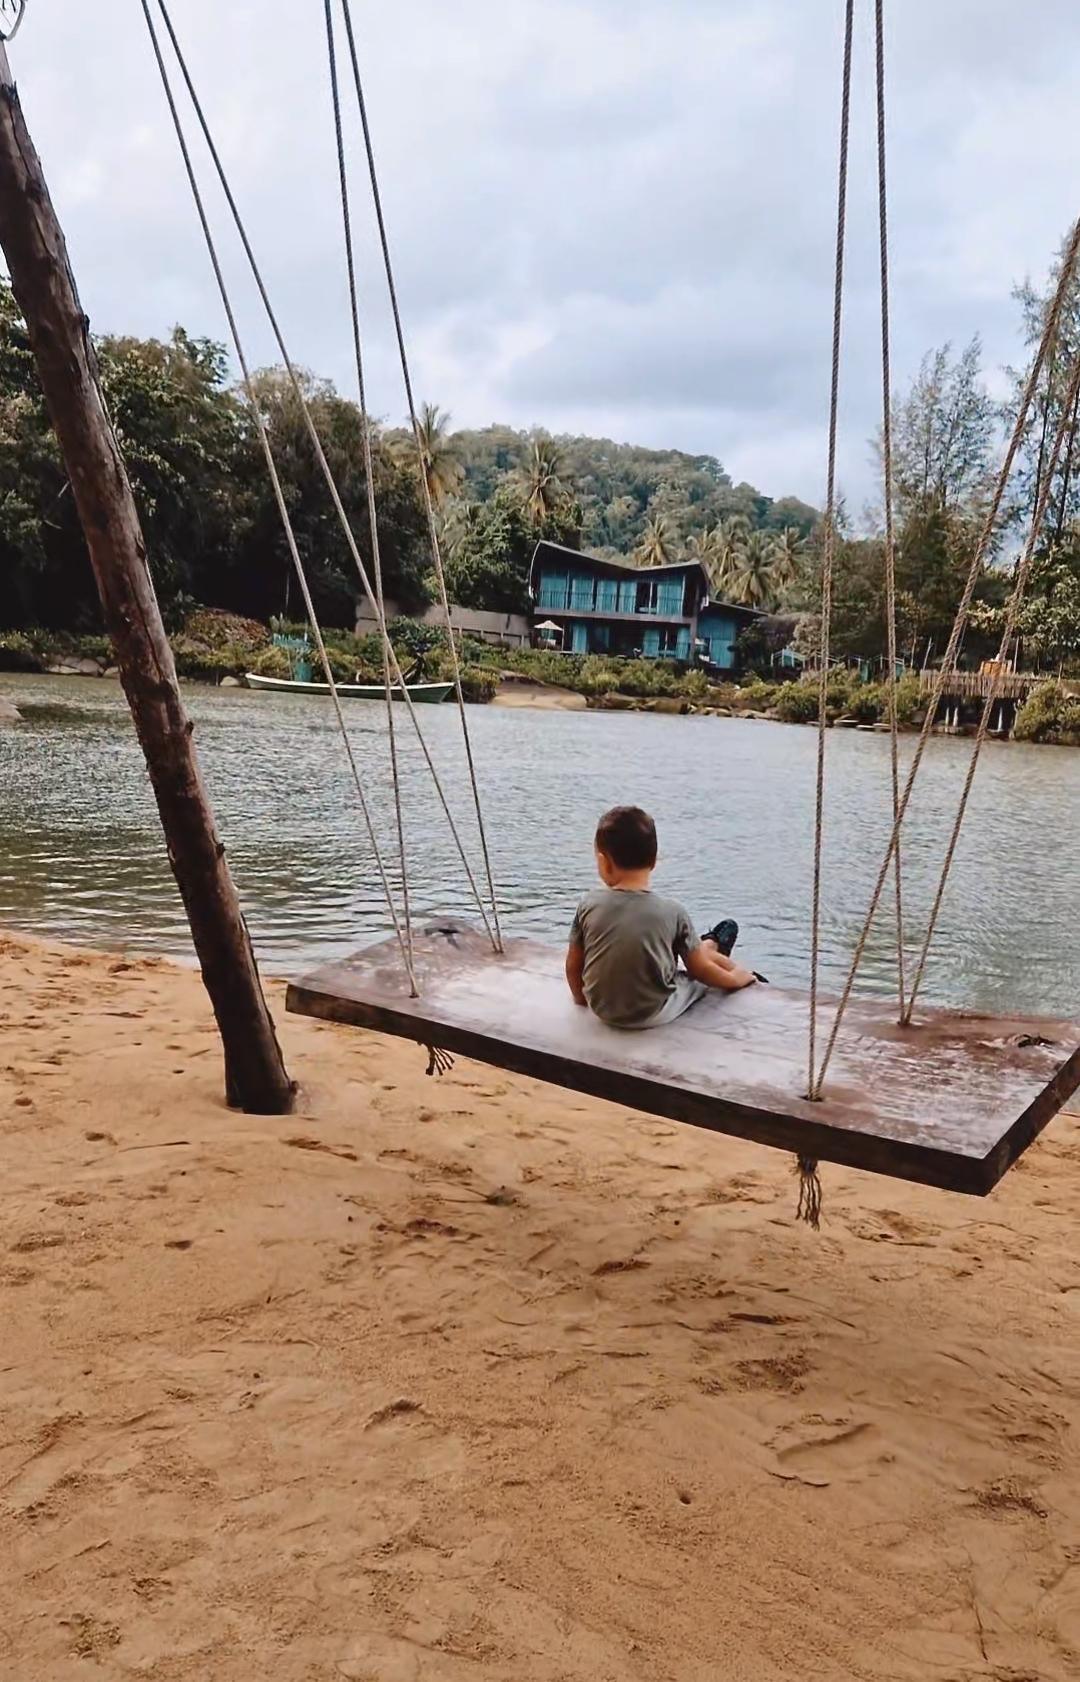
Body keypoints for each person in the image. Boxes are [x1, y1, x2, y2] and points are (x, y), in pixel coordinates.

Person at [565, 804, 759, 1030]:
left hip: (603, 1010)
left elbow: (573, 966)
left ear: (603, 862)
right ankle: (711, 947)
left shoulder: (588, 904)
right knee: (691, 977)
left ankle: (709, 945)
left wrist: (582, 1001)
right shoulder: (673, 911)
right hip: (653, 1013)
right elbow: (701, 972)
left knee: (684, 960)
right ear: (655, 860)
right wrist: (738, 978)